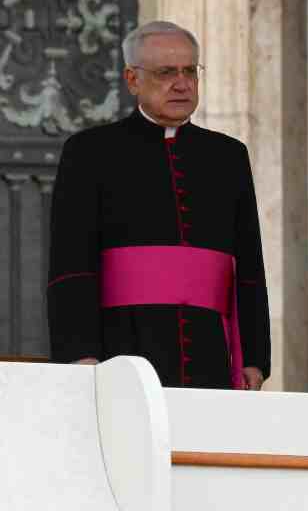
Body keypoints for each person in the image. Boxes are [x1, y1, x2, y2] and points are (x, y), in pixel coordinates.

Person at [47, 20, 270, 390]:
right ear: (132, 79)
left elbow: (248, 263)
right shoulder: (90, 151)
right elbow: (71, 262)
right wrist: (81, 353)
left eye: (189, 71)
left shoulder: (228, 156)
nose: (182, 83)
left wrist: (255, 357)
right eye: (166, 72)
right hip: (122, 344)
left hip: (210, 347)